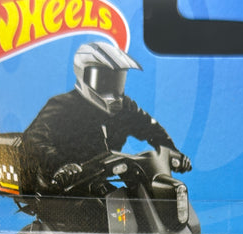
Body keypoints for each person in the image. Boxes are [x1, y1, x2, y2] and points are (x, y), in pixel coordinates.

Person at [23, 41, 191, 196]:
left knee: (130, 205)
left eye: (116, 81)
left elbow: (149, 127)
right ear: (83, 74)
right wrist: (61, 165)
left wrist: (171, 151)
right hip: (61, 187)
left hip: (97, 181)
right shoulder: (62, 105)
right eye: (103, 79)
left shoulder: (124, 107)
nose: (111, 88)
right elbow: (33, 138)